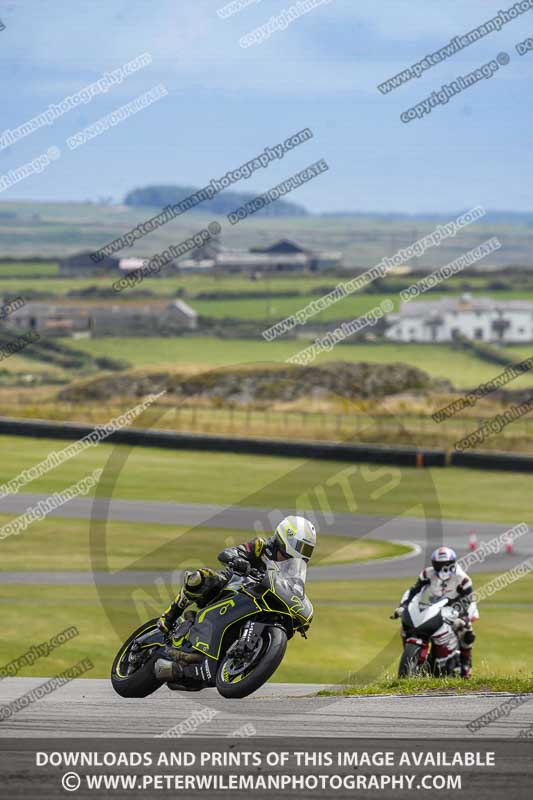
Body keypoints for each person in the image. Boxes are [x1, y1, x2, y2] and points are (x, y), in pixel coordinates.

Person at [154, 516, 317, 684]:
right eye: (301, 546)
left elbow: (294, 589)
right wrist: (236, 559)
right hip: (232, 585)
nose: (304, 552)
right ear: (285, 537)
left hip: (256, 602)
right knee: (200, 578)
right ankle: (170, 616)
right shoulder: (262, 546)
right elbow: (228, 553)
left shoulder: (294, 569)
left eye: (309, 549)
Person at [394, 546, 478, 678]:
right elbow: (415, 590)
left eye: (446, 564)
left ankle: (466, 666)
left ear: (453, 563)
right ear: (434, 564)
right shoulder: (427, 573)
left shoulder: (463, 579)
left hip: (459, 605)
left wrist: (463, 617)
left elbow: (468, 599)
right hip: (436, 603)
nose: (443, 568)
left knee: (466, 632)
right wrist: (404, 605)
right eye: (439, 565)